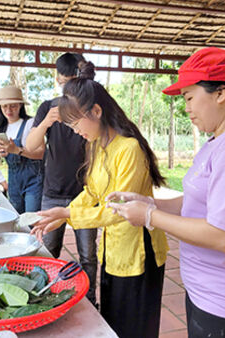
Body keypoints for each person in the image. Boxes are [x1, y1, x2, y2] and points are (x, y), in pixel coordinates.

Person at [107, 47, 225, 337]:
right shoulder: (219, 140)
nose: (186, 107)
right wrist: (151, 203)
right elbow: (196, 203)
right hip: (210, 296)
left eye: (189, 97)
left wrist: (150, 217)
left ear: (221, 93)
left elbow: (223, 236)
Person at [30, 62, 169, 338]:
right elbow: (93, 193)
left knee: (135, 328)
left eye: (76, 123)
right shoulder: (97, 146)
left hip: (138, 254)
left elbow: (121, 210)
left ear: (96, 111)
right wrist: (64, 211)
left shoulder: (128, 149)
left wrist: (69, 216)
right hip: (113, 251)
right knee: (114, 322)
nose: (75, 131)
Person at [26, 53, 98, 305]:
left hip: (85, 193)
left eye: (74, 82)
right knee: (48, 250)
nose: (69, 89)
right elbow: (31, 146)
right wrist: (46, 122)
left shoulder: (89, 106)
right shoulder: (48, 107)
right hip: (53, 191)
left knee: (88, 254)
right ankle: (44, 298)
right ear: (57, 79)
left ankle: (90, 300)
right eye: (65, 82)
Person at [0, 86, 44, 213]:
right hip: (13, 181)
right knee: (16, 219)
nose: (8, 110)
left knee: (32, 221)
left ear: (20, 105)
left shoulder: (30, 123)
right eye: (4, 106)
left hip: (33, 180)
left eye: (13, 106)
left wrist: (17, 150)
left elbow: (41, 153)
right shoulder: (2, 127)